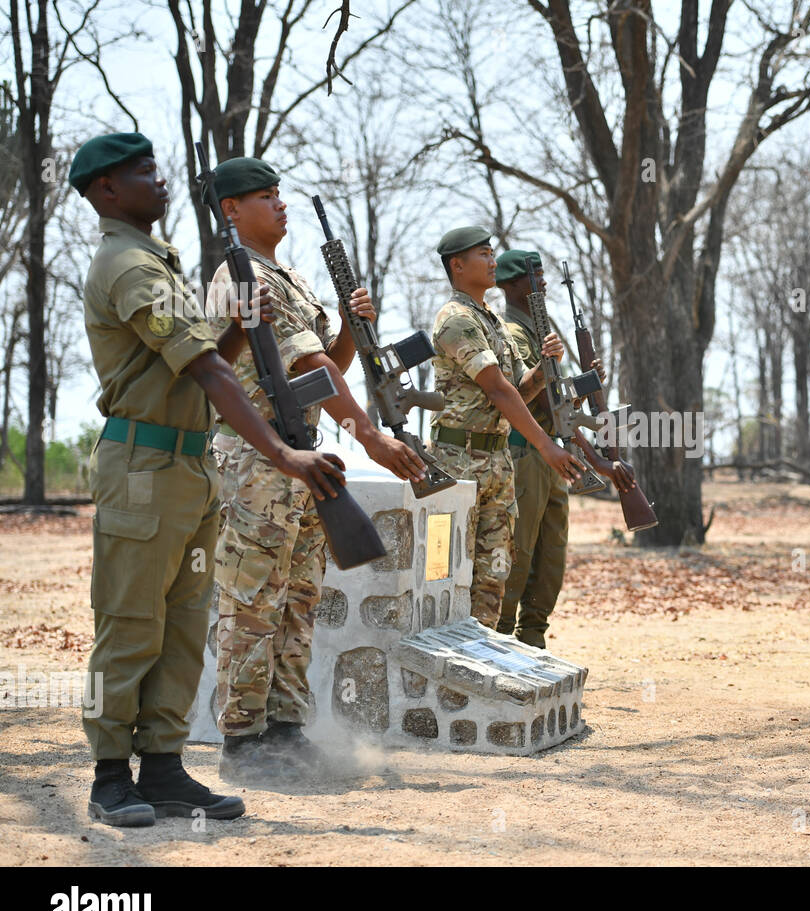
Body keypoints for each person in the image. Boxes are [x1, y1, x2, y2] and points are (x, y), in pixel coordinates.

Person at [73, 133, 345, 826]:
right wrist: (284, 455)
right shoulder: (127, 266)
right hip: (144, 466)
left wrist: (237, 326)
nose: (160, 182)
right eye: (143, 174)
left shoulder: (158, 261)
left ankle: (163, 766)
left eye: (159, 171)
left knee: (184, 627)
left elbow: (208, 354)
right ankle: (110, 776)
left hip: (187, 462)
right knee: (131, 625)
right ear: (106, 190)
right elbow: (206, 371)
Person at [203, 157, 427, 782]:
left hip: (297, 461)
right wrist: (370, 437)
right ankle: (242, 740)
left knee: (299, 596)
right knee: (253, 598)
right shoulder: (241, 278)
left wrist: (352, 324)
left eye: (280, 194)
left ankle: (285, 727)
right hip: (259, 462)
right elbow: (313, 373)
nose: (280, 204)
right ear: (231, 210)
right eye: (264, 196)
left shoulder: (289, 278)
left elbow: (331, 362)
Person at [428, 229, 584, 627]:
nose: (493, 260)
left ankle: (485, 662)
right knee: (451, 569)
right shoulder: (456, 319)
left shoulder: (491, 320)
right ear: (457, 265)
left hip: (495, 460)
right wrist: (547, 446)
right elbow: (497, 389)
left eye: (493, 253)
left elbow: (518, 390)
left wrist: (542, 369)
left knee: (493, 575)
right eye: (484, 254)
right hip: (459, 459)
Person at [492, 249, 634, 648]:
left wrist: (584, 384)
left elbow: (559, 408)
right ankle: (502, 640)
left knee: (551, 556)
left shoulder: (541, 332)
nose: (543, 281)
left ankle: (533, 638)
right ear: (511, 283)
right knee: (518, 553)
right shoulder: (510, 333)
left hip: (551, 456)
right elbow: (521, 396)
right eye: (533, 275)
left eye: (542, 273)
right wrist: (550, 368)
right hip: (524, 454)